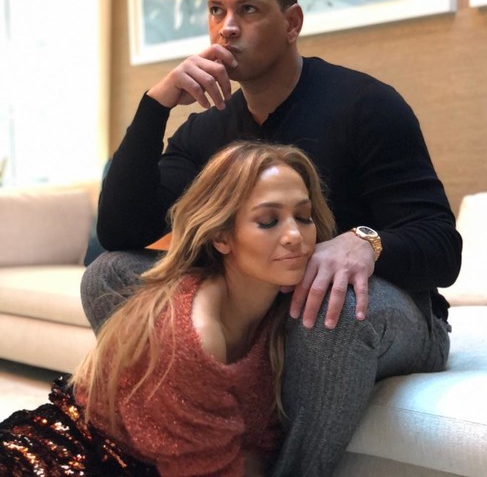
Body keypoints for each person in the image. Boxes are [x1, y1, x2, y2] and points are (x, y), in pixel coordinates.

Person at [82, 0, 462, 475]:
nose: (227, 27)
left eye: (248, 9)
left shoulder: (366, 105)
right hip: (268, 310)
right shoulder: (208, 130)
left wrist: (366, 242)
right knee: (108, 276)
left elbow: (442, 246)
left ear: (291, 23)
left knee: (331, 307)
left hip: (386, 311)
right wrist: (156, 105)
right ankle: (190, 439)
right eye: (216, 11)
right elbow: (121, 230)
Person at [0, 141, 336, 476]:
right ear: (221, 237)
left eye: (303, 216)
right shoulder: (192, 333)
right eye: (268, 220)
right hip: (62, 461)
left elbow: (257, 443)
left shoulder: (279, 317)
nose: (295, 235)